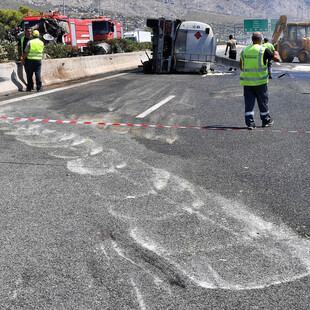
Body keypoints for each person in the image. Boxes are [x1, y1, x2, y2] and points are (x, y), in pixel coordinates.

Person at [239, 32, 280, 130]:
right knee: (263, 101)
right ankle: (265, 121)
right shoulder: (263, 50)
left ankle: (250, 123)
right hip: (260, 82)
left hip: (247, 82)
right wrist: (276, 52)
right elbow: (277, 59)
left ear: (252, 39)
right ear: (261, 39)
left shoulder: (244, 50)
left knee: (249, 102)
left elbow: (241, 65)